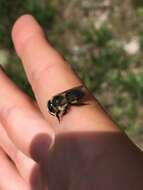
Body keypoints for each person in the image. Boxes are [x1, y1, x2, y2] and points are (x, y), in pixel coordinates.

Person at [0, 14, 142, 190]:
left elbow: (64, 103)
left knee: (70, 105)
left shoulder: (61, 104)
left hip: (73, 97)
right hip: (72, 97)